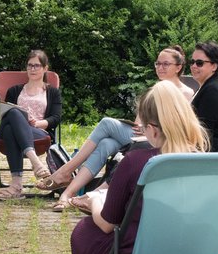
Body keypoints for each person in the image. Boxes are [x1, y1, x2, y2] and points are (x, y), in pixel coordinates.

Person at [69, 81, 210, 254]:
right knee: (141, 231)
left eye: (142, 127)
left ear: (153, 129)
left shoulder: (137, 162)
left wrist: (94, 203)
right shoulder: (206, 163)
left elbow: (108, 224)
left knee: (87, 233)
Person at [45, 45, 194, 211]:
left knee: (106, 123)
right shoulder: (154, 90)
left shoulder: (187, 93)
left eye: (166, 64)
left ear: (178, 67)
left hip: (162, 138)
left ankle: (66, 173)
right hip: (143, 133)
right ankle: (72, 194)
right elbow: (139, 121)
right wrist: (142, 126)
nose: (160, 68)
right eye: (157, 64)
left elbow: (181, 124)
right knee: (106, 144)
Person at [0, 49, 62, 200]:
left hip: (37, 131)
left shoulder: (52, 92)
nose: (32, 69)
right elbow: (5, 115)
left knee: (12, 130)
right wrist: (19, 116)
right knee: (15, 113)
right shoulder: (14, 90)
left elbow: (56, 117)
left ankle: (16, 187)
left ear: (45, 68)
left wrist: (38, 123)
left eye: (37, 65)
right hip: (7, 129)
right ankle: (36, 162)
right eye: (30, 65)